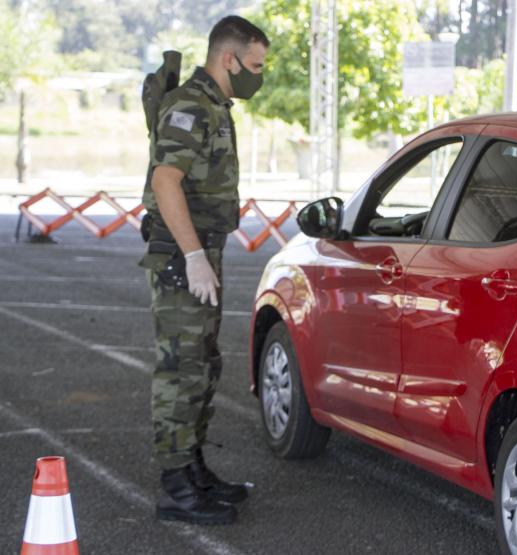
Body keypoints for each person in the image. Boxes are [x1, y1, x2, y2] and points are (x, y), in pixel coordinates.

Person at [139, 15, 269, 525]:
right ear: (228, 58)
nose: (258, 76)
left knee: (202, 365)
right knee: (179, 371)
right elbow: (166, 180)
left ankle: (193, 469)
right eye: (254, 65)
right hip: (180, 257)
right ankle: (175, 487)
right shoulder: (190, 105)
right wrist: (193, 256)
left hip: (200, 252)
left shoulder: (214, 104)